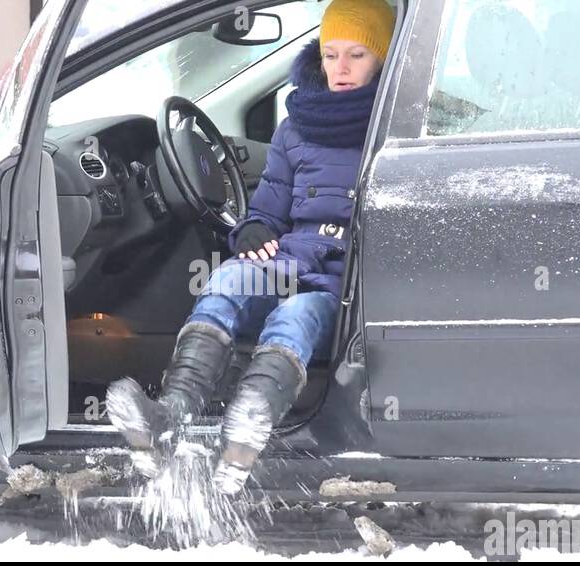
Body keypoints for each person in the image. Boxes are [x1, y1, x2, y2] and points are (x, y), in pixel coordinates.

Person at [108, 0, 396, 494]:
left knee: (297, 317)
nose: (341, 69)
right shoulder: (297, 127)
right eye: (330, 56)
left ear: (383, 60)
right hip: (289, 259)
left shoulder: (390, 128)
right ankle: (169, 415)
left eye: (356, 56)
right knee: (229, 278)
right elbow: (266, 211)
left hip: (341, 281)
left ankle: (250, 420)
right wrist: (254, 231)